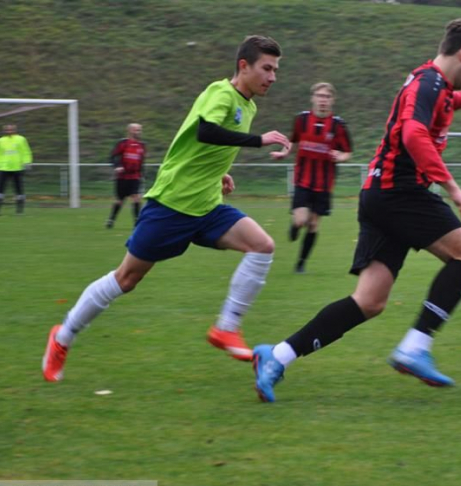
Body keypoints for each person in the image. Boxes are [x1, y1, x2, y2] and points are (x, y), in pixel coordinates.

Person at [251, 18, 461, 403]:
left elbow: (446, 101)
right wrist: (454, 189)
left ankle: (278, 356)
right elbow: (413, 134)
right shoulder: (428, 83)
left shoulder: (430, 82)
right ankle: (415, 347)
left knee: (369, 301)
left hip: (379, 194)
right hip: (399, 191)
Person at [42, 35, 291, 382]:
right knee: (126, 278)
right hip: (172, 205)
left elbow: (201, 144)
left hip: (206, 206)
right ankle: (63, 337)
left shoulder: (247, 105)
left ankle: (226, 328)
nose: (273, 76)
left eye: (276, 70)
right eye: (267, 68)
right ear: (243, 66)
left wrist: (219, 172)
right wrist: (258, 140)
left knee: (263, 246)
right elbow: (206, 130)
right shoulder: (220, 92)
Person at [271, 82, 353, 273]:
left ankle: (301, 263)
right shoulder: (301, 120)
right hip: (302, 180)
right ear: (313, 98)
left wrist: (339, 156)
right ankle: (295, 225)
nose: (323, 100)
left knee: (314, 224)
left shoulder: (338, 126)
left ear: (332, 100)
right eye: (319, 96)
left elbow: (347, 152)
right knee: (301, 220)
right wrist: (284, 153)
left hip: (324, 184)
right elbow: (292, 141)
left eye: (326, 97)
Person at [106, 123, 147, 228]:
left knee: (136, 198)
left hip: (135, 177)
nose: (139, 132)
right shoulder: (123, 143)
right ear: (130, 131)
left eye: (139, 130)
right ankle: (111, 219)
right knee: (120, 200)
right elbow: (113, 156)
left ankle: (137, 222)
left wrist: (142, 173)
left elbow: (141, 161)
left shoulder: (142, 145)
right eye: (136, 130)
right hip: (122, 177)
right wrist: (117, 166)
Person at [0, 124, 33, 215]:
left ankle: (19, 210)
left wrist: (27, 162)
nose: (9, 131)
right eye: (7, 130)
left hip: (17, 167)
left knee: (19, 189)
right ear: (4, 131)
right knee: (0, 189)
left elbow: (26, 151)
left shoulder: (21, 139)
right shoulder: (0, 140)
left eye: (11, 130)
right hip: (3, 168)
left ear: (15, 130)